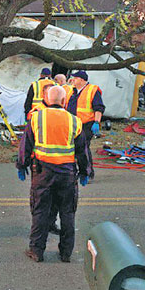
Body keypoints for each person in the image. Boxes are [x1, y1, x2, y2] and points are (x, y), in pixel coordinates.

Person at [16, 86, 89, 263]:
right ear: (64, 102)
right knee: (67, 213)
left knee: (40, 211)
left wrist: (21, 164)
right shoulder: (74, 121)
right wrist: (86, 171)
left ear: (47, 100)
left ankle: (37, 251)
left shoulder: (36, 118)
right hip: (67, 174)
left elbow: (26, 145)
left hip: (43, 173)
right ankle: (65, 253)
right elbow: (82, 150)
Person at [66, 70, 105, 179]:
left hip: (86, 124)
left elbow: (99, 108)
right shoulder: (71, 91)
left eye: (76, 78)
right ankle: (76, 171)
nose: (73, 80)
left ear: (82, 80)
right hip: (73, 125)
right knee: (73, 149)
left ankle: (88, 173)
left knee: (83, 148)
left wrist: (96, 122)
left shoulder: (92, 90)